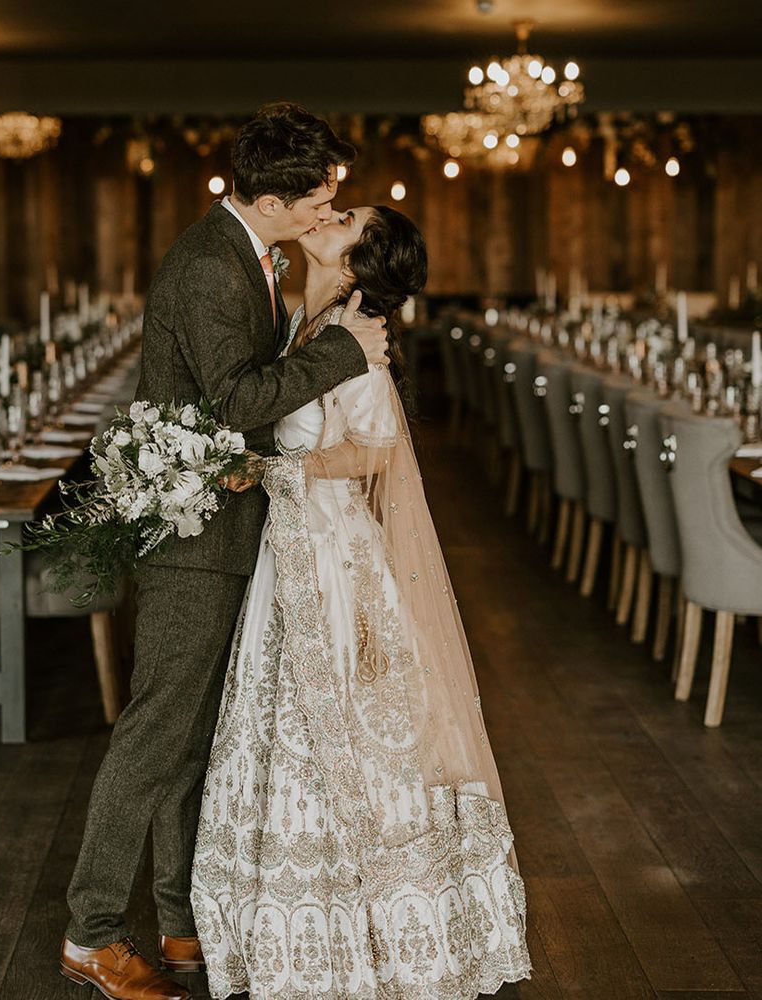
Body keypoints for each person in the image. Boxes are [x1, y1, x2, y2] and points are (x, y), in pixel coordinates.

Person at [59, 104, 389, 1000]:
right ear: (279, 199)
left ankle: (178, 924)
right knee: (157, 733)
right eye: (325, 192)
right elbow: (238, 399)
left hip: (234, 523)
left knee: (195, 739)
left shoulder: (254, 255)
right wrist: (344, 354)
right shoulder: (212, 266)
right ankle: (91, 934)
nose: (332, 205)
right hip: (193, 540)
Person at [190, 206, 532, 998]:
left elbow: (375, 452)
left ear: (359, 258)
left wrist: (275, 472)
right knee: (287, 716)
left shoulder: (357, 331)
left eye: (344, 218)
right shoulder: (307, 320)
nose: (326, 214)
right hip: (293, 544)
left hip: (332, 550)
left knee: (340, 719)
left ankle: (370, 928)